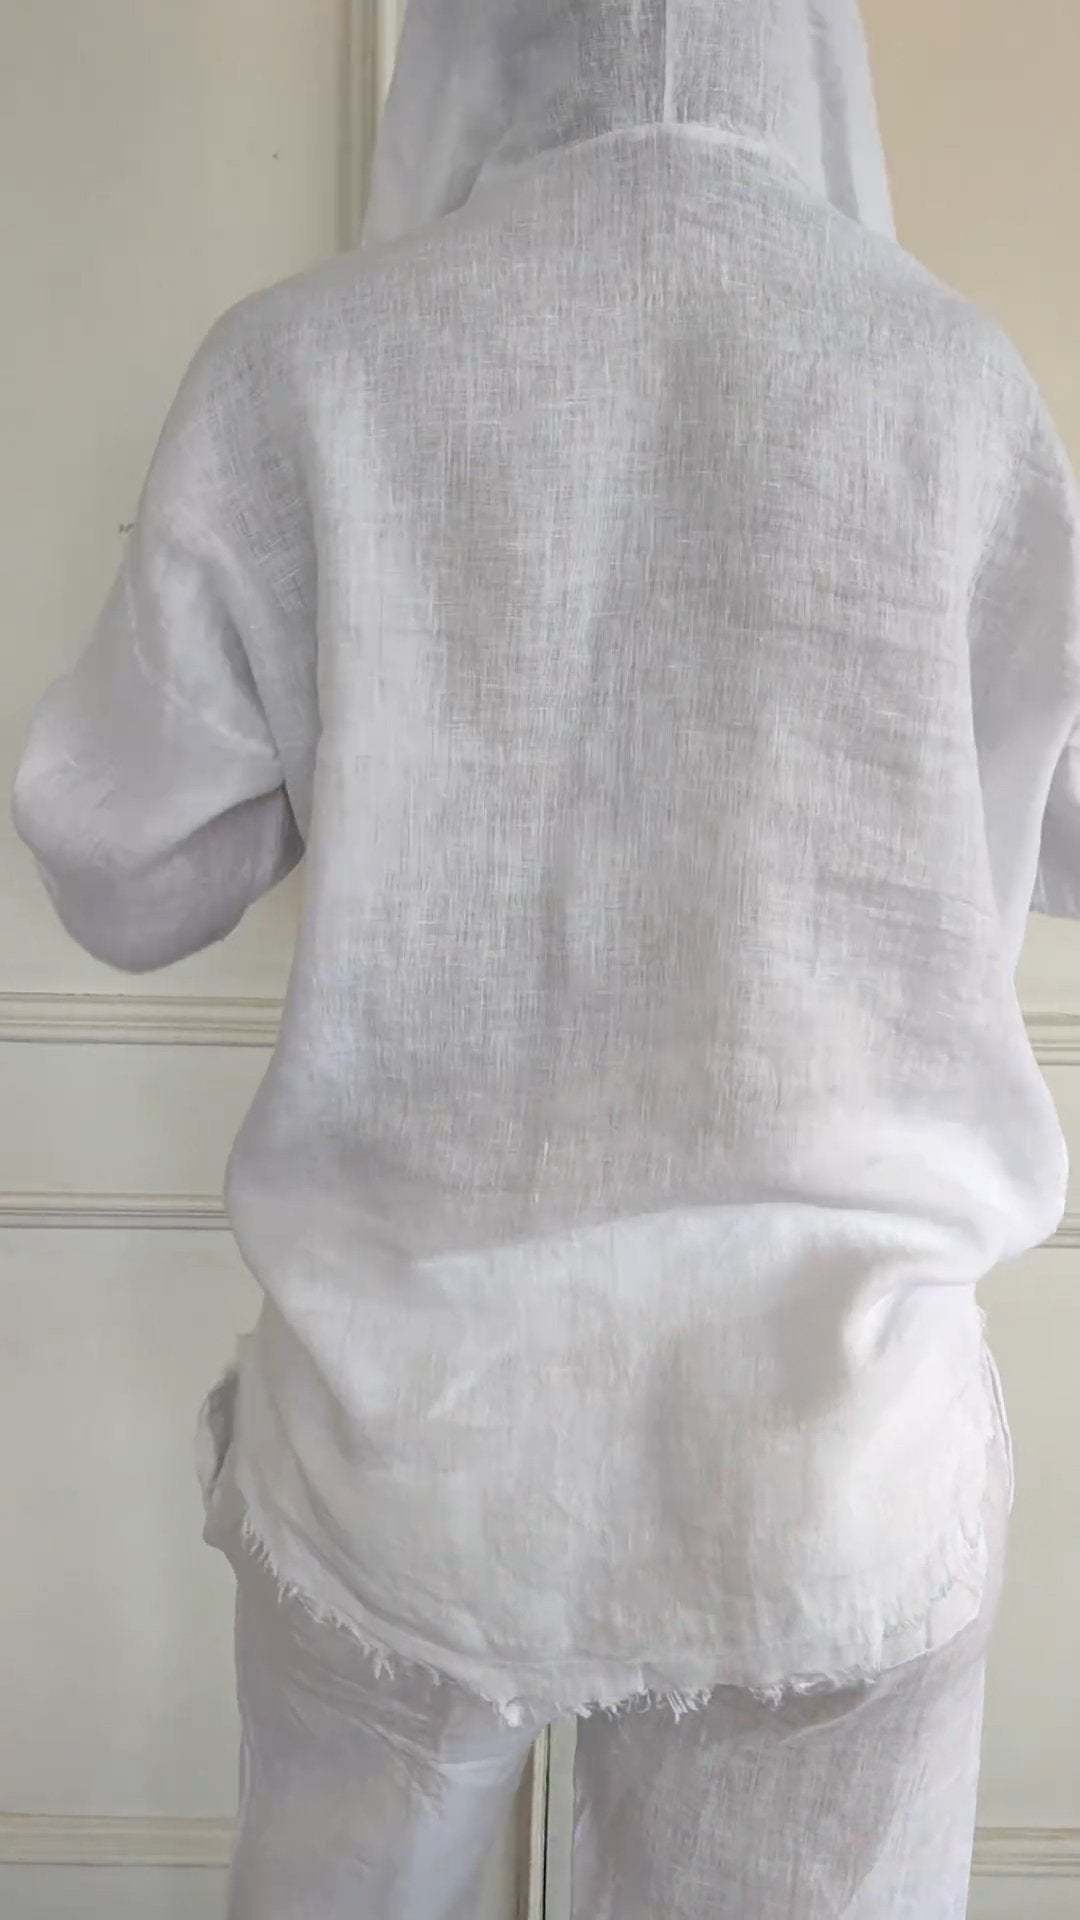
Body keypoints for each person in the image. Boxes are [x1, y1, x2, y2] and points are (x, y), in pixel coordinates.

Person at [10, 1, 1079, 1914]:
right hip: (833, 1446)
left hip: (409, 1444)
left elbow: (124, 868)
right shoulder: (951, 380)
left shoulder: (307, 368)